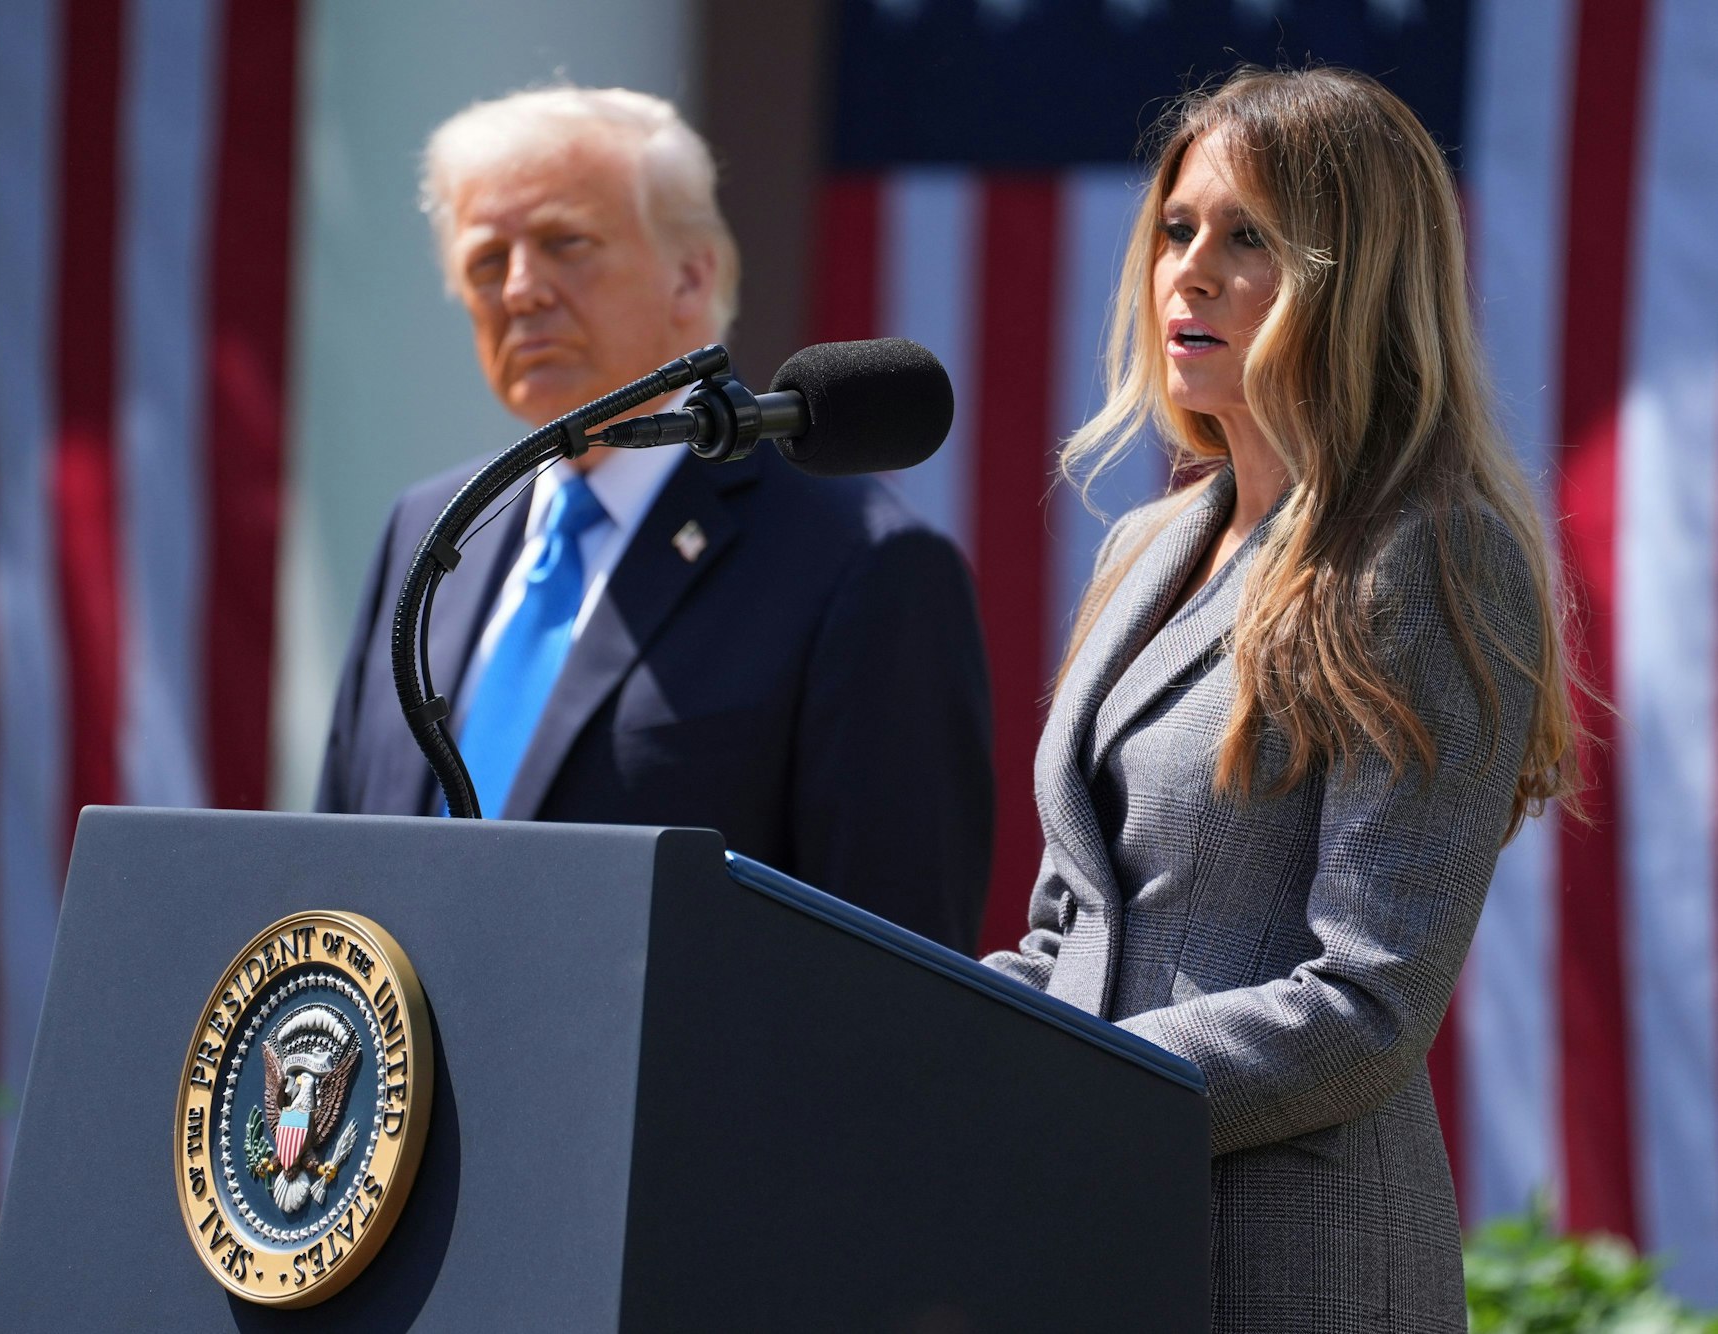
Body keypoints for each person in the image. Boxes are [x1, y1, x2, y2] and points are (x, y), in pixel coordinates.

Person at [983, 67, 1579, 1331]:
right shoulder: (1143, 547)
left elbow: (1368, 999)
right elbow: (1065, 930)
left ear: (1353, 273)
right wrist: (921, 1031)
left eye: (1247, 235)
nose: (1187, 269)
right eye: (1176, 228)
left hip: (1287, 1267)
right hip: (1085, 1238)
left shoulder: (1428, 551)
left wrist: (1076, 1077)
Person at [317, 86, 994, 954]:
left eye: (567, 243)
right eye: (487, 262)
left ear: (691, 275)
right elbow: (329, 872)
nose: (521, 290)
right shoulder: (430, 535)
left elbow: (895, 976)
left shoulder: (862, 563)